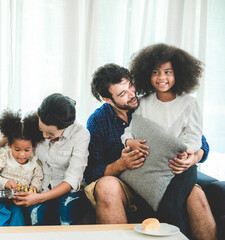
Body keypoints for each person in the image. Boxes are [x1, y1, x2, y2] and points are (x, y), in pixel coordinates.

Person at [84, 63, 217, 240]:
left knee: (196, 194)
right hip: (124, 187)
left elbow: (199, 139)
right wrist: (120, 165)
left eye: (131, 85)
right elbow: (91, 171)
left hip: (165, 178)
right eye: (123, 94)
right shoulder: (98, 121)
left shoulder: (152, 103)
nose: (132, 94)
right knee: (107, 186)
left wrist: (194, 158)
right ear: (107, 100)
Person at [0, 93, 90, 225]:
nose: (44, 136)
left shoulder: (81, 135)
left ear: (66, 126)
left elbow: (72, 180)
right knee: (35, 217)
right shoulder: (38, 118)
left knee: (64, 218)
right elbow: (14, 130)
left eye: (50, 134)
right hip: (41, 188)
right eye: (41, 130)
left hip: (66, 192)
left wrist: (39, 198)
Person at [0, 109, 44, 226]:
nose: (22, 154)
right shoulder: (4, 157)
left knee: (18, 221)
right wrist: (5, 182)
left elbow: (38, 179)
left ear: (33, 147)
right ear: (9, 145)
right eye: (17, 150)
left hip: (18, 202)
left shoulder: (35, 162)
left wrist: (34, 188)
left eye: (27, 150)